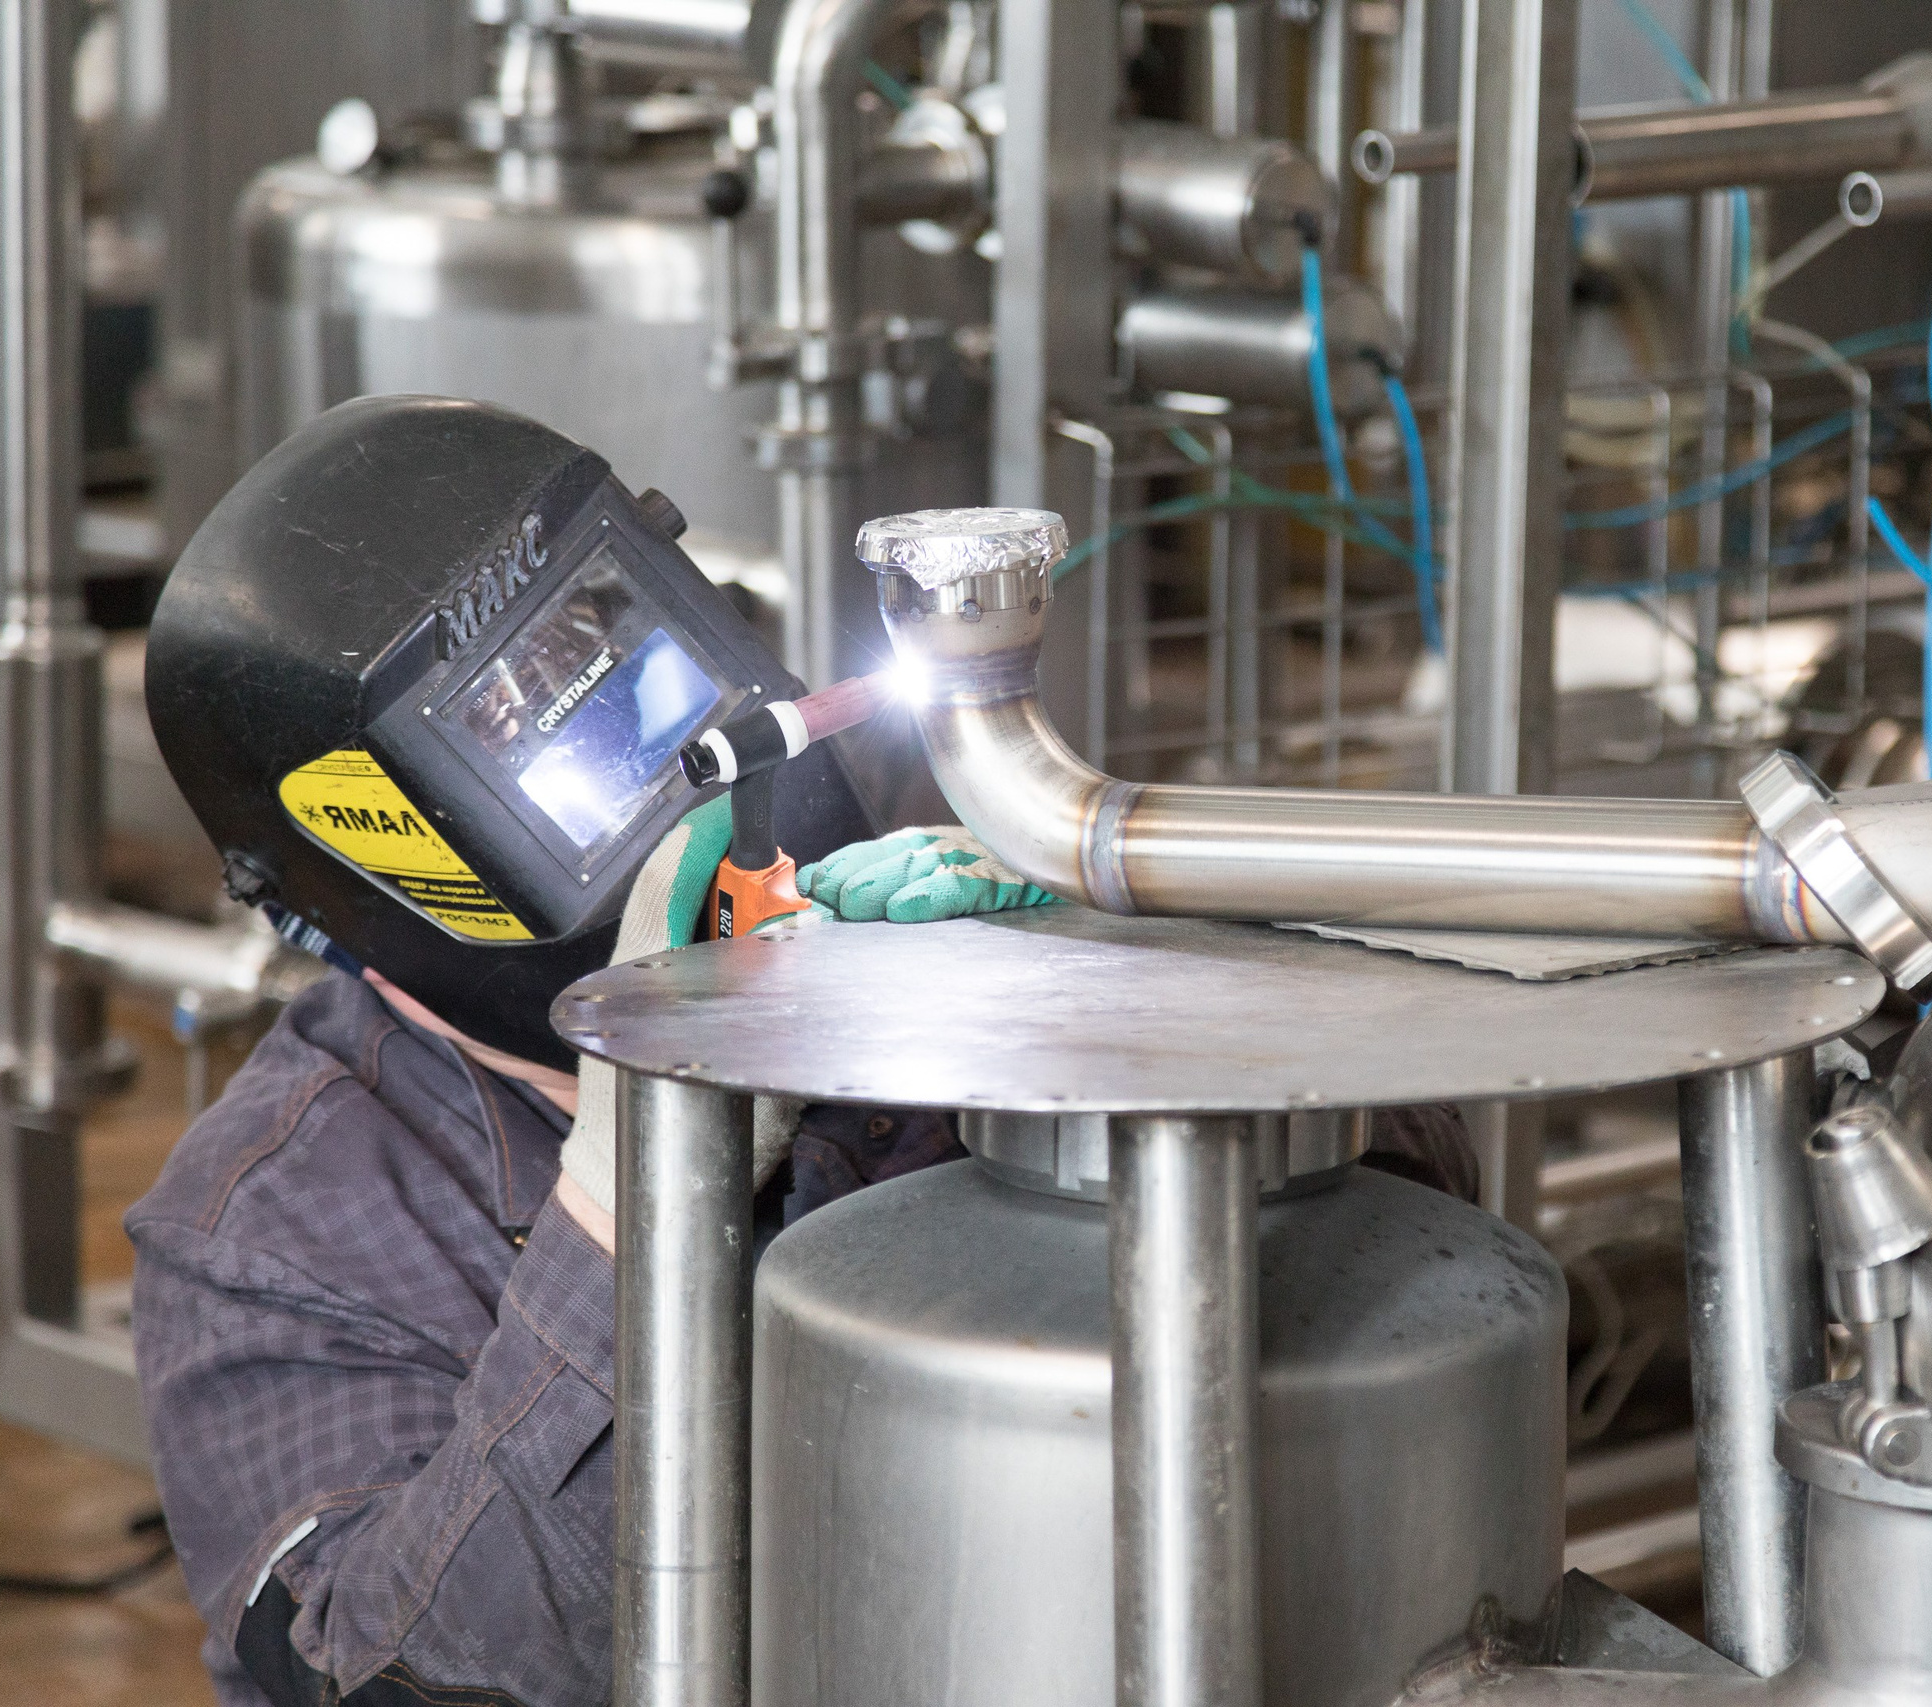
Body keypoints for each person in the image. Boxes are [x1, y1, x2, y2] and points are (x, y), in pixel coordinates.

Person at [125, 398, 1474, 1707]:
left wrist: (1150, 1003)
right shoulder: (266, 1242)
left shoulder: (951, 897)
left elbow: (1422, 1279)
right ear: (358, 897)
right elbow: (418, 1690)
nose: (672, 775)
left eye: (635, 658)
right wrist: (635, 1194)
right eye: (536, 752)